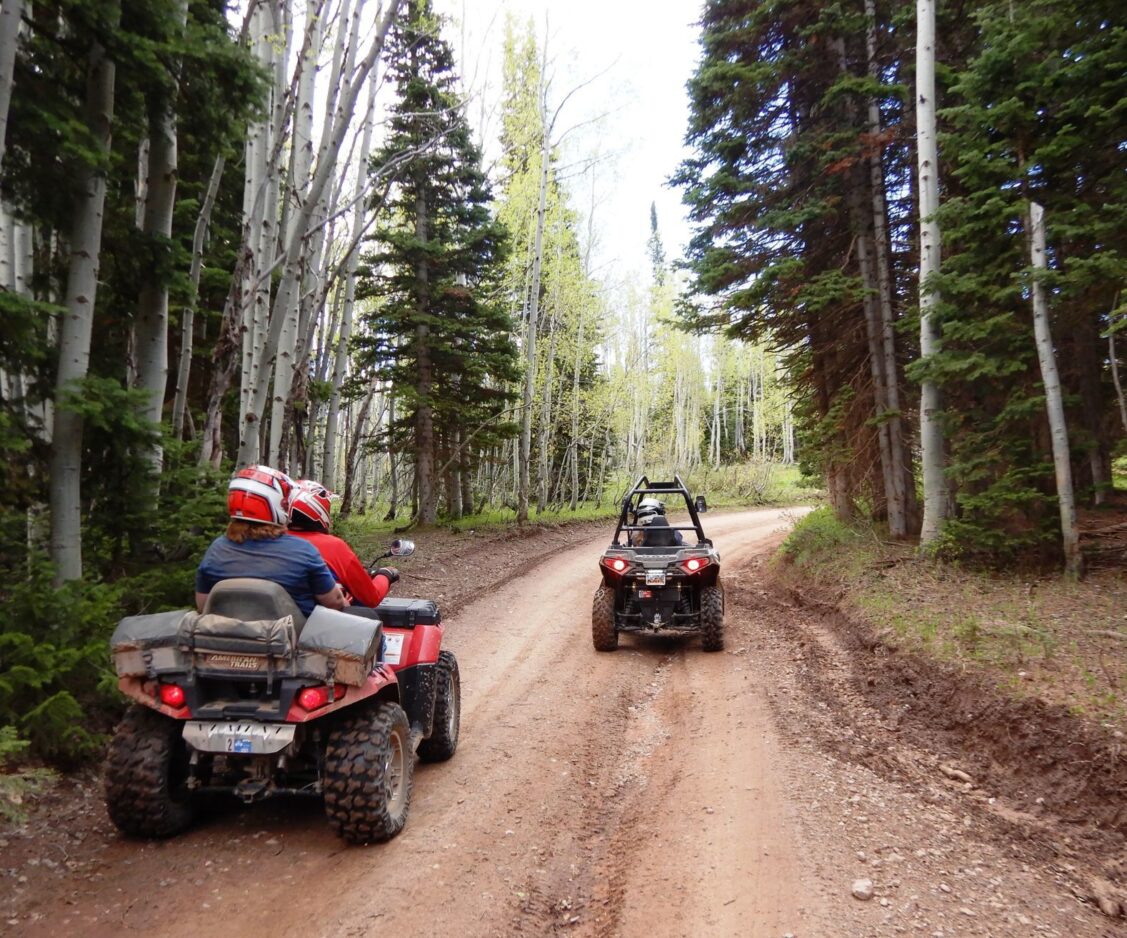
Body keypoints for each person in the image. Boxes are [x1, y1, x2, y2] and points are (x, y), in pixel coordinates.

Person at [195, 465, 346, 616]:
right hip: (291, 637)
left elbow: (203, 606)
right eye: (285, 502)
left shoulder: (216, 549)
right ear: (272, 504)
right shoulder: (303, 550)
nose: (286, 506)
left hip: (225, 634)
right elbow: (335, 602)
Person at [286, 479, 399, 608]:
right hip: (321, 622)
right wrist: (386, 574)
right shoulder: (333, 547)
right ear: (320, 509)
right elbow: (372, 598)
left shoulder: (273, 541)